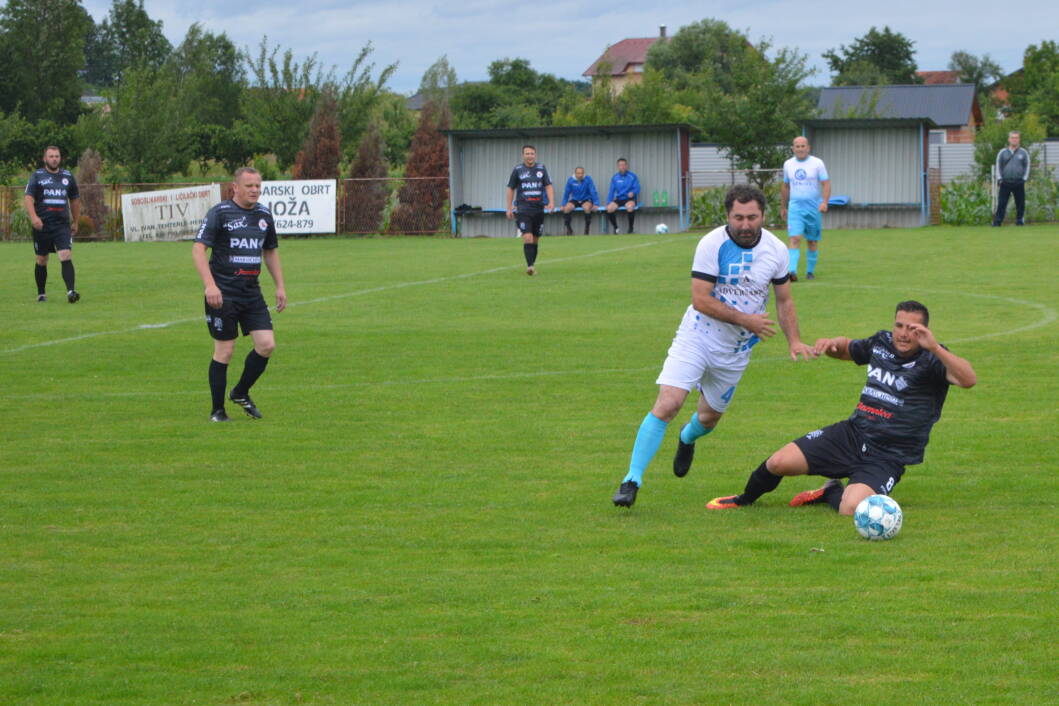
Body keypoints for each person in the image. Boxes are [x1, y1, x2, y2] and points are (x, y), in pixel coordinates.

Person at [613, 185, 816, 508]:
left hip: (735, 352)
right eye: (739, 217)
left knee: (707, 420)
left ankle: (686, 438)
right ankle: (631, 480)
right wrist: (747, 320)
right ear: (728, 216)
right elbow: (700, 299)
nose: (746, 224)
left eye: (752, 217)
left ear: (764, 215)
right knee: (668, 403)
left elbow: (784, 299)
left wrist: (794, 339)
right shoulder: (711, 244)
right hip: (697, 336)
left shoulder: (777, 251)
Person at [706, 300, 976, 514]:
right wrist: (832, 346)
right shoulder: (881, 342)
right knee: (778, 462)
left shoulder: (933, 359)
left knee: (851, 508)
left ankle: (830, 491)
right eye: (899, 325)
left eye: (913, 329)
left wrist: (935, 347)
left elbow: (968, 379)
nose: (904, 334)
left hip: (889, 455)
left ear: (925, 331)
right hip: (852, 434)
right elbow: (849, 349)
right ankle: (744, 500)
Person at [192, 167, 287, 423]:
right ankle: (217, 411)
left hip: (251, 292)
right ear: (236, 187)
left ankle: (240, 392)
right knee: (225, 350)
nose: (255, 190)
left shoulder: (264, 215)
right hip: (223, 294)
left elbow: (270, 251)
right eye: (249, 186)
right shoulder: (220, 213)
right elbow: (198, 250)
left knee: (267, 345)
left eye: (258, 185)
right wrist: (210, 286)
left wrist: (280, 286)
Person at [24, 146, 81, 303]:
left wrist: (75, 221)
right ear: (45, 159)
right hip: (42, 225)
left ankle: (71, 292)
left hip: (62, 225)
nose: (54, 159)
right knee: (42, 259)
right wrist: (34, 217)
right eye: (51, 156)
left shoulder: (68, 176)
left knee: (65, 255)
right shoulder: (37, 176)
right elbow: (28, 197)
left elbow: (75, 199)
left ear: (60, 158)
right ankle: (41, 294)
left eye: (57, 156)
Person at [780, 136, 830, 282]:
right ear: (793, 148)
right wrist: (783, 206)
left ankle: (810, 272)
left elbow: (826, 184)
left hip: (813, 208)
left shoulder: (817, 163)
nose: (800, 149)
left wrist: (824, 202)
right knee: (795, 238)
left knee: (812, 241)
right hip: (795, 207)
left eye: (803, 146)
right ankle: (792, 271)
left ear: (808, 148)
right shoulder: (788, 164)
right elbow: (785, 186)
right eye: (797, 146)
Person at [505, 145, 555, 276]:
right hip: (523, 209)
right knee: (528, 237)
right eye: (527, 153)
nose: (530, 156)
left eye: (532, 153)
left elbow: (548, 186)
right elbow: (510, 188)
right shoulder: (518, 170)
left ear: (535, 155)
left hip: (538, 209)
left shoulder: (541, 168)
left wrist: (551, 202)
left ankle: (532, 264)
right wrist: (509, 207)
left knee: (535, 239)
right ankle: (530, 266)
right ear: (523, 155)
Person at [993, 130, 1030, 227]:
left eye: (1016, 138)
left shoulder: (1024, 152)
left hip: (1019, 182)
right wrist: (1000, 179)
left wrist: (1024, 179)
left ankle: (1020, 221)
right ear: (1009, 139)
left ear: (1019, 139)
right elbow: (998, 165)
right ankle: (997, 222)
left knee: (1020, 204)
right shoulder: (1002, 152)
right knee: (1002, 203)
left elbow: (1027, 166)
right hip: (1005, 182)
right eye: (1012, 137)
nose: (1014, 139)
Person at [559, 167, 600, 235]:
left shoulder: (588, 179)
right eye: (578, 173)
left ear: (584, 173)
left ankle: (587, 229)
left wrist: (596, 203)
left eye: (581, 173)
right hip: (575, 199)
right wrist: (563, 204)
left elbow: (593, 191)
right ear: (575, 174)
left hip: (586, 199)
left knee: (586, 208)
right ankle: (569, 229)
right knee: (566, 208)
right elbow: (566, 193)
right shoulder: (570, 180)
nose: (580, 175)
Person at [605, 158, 640, 234]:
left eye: (624, 165)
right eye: (620, 165)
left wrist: (633, 192)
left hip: (629, 199)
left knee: (630, 207)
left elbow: (637, 188)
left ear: (627, 166)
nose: (622, 166)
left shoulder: (632, 176)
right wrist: (608, 202)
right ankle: (616, 229)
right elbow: (611, 191)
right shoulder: (615, 177)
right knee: (609, 208)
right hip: (619, 198)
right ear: (618, 166)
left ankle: (631, 229)